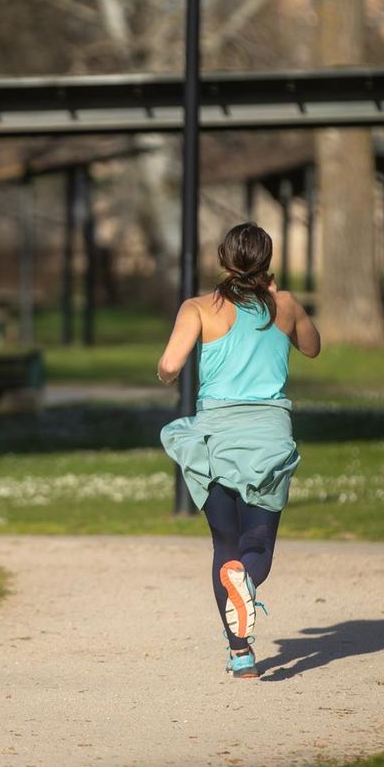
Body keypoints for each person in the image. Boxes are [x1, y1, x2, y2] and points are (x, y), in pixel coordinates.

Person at [155, 222, 321, 679]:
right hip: (268, 437)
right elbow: (312, 347)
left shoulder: (199, 307)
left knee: (224, 545)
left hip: (216, 439)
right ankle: (246, 582)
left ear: (223, 260)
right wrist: (278, 299)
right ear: (267, 262)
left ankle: (241, 653)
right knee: (256, 544)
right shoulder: (283, 305)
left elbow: (170, 366)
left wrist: (170, 372)